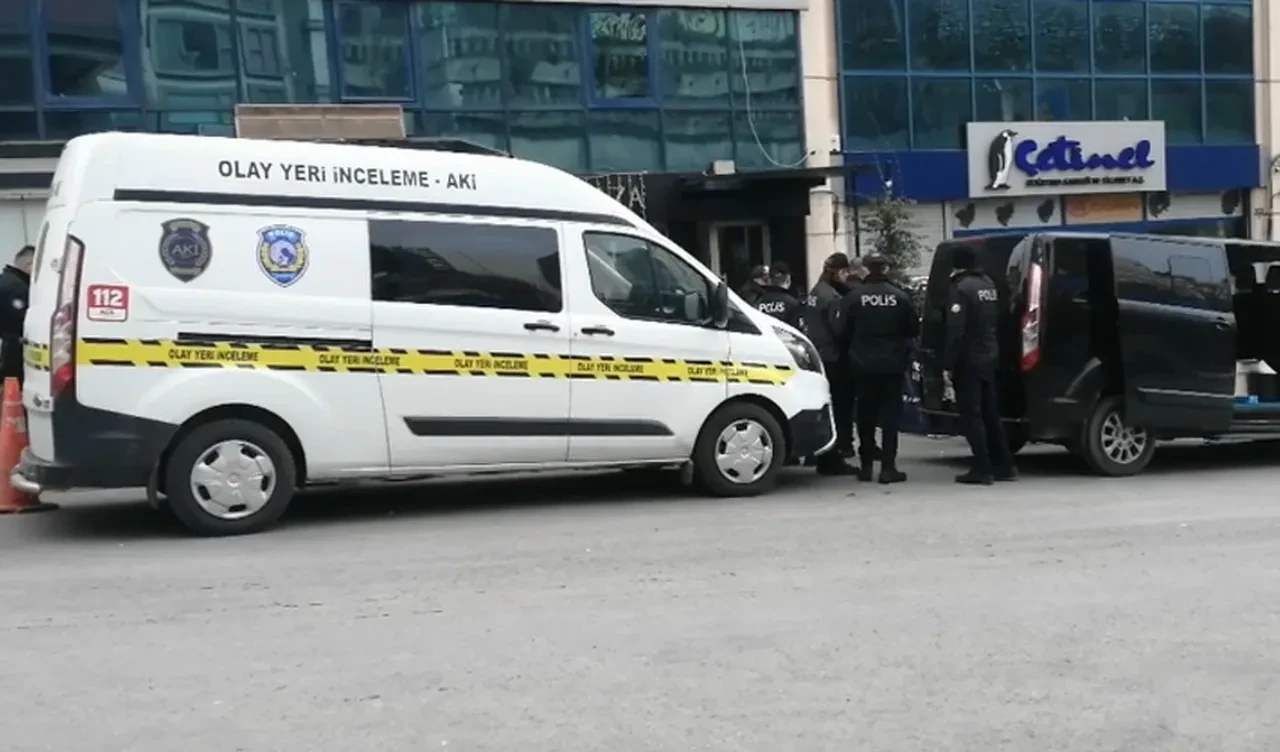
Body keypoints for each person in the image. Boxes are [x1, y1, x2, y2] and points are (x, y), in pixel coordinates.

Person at [837, 253, 918, 483]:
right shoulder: (900, 297)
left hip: (862, 366)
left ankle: (866, 467)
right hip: (892, 366)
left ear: (866, 269)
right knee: (891, 418)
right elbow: (913, 330)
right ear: (886, 269)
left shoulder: (853, 297)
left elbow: (842, 331)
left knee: (865, 416)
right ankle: (888, 468)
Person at [943, 246, 1017, 485]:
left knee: (971, 415)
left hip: (969, 359)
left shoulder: (961, 288)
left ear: (956, 265)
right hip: (990, 354)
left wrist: (948, 364)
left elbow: (956, 330)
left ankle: (982, 468)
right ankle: (1004, 465)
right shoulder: (988, 284)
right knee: (990, 413)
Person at [804, 253, 857, 475]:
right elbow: (839, 330)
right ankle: (834, 456)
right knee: (840, 408)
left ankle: (817, 452)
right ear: (838, 272)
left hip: (817, 356)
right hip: (833, 359)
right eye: (845, 272)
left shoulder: (815, 292)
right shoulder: (832, 297)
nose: (846, 276)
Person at [0, 245, 33, 384]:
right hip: (14, 351)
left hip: (8, 347)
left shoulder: (6, 280)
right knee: (13, 386)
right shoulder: (16, 286)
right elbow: (24, 321)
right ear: (29, 265)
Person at [753, 262, 802, 329]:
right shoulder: (792, 303)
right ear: (787, 278)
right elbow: (797, 330)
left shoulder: (758, 302)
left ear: (770, 279)